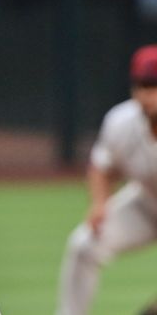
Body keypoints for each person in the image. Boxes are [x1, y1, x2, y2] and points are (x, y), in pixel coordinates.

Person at [56, 45, 157, 315]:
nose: (148, 94)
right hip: (146, 205)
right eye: (142, 85)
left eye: (155, 86)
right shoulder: (121, 121)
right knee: (84, 244)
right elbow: (101, 166)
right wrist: (100, 203)